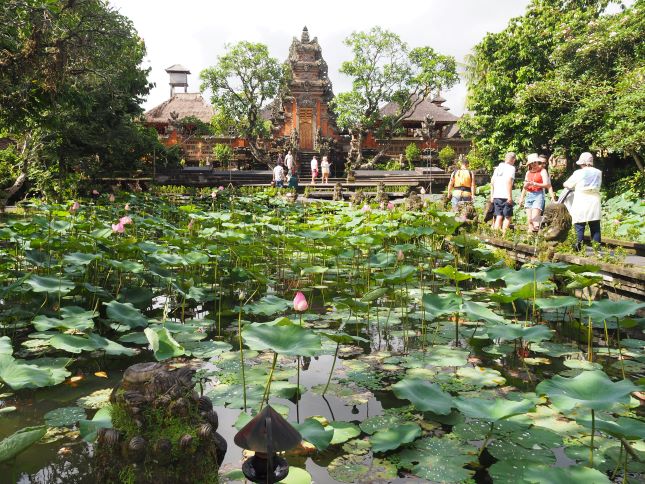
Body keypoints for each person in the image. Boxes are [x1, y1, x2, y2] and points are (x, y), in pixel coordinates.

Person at [563, 152, 602, 251]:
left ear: (582, 162)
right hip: (595, 200)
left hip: (582, 200)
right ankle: (597, 250)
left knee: (580, 225)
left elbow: (568, 184)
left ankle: (578, 248)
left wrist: (566, 185)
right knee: (595, 226)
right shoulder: (598, 172)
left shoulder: (579, 173)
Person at [518, 153, 554, 233]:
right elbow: (525, 187)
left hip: (539, 195)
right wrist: (521, 198)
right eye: (532, 162)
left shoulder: (543, 171)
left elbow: (548, 186)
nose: (534, 164)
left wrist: (552, 197)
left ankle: (539, 233)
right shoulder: (528, 173)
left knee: (536, 220)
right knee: (530, 220)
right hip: (529, 195)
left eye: (536, 162)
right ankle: (531, 237)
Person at [490, 152, 516, 234]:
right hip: (505, 195)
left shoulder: (497, 168)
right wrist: (509, 197)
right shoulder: (511, 168)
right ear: (513, 159)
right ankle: (504, 235)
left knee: (499, 216)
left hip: (496, 195)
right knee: (508, 217)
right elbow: (508, 181)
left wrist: (492, 196)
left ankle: (496, 234)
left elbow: (492, 182)